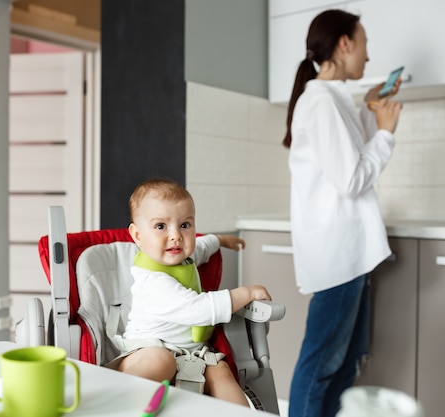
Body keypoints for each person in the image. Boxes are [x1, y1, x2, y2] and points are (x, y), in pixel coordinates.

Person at [283, 9, 403, 417]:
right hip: (340, 256)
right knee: (320, 367)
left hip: (349, 254)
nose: (368, 57)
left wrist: (372, 118)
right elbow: (353, 180)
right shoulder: (321, 103)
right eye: (364, 44)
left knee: (344, 366)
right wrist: (386, 132)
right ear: (345, 43)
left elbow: (348, 167)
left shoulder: (334, 101)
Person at [116, 178, 272, 407]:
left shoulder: (182, 258)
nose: (176, 235)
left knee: (222, 372)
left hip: (193, 355)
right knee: (162, 361)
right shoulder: (152, 281)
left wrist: (219, 240)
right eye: (161, 226)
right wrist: (245, 293)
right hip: (148, 350)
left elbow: (200, 247)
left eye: (185, 225)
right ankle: (116, 398)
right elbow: (199, 309)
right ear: (137, 235)